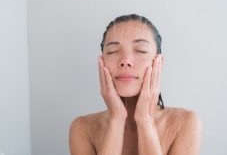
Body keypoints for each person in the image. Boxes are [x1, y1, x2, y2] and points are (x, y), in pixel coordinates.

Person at [69, 14, 202, 155]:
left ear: (158, 64)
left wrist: (145, 120)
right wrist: (116, 119)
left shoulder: (185, 123)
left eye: (141, 50)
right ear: (101, 63)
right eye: (113, 51)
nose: (125, 60)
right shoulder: (82, 128)